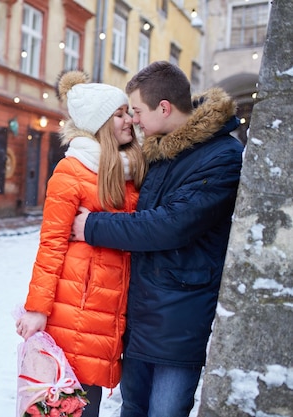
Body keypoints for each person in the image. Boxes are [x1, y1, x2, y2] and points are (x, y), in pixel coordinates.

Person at [71, 61, 244, 417]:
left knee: (165, 412)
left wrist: (92, 226)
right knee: (132, 408)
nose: (133, 120)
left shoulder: (222, 156)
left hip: (179, 319)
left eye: (136, 111)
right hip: (140, 317)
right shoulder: (159, 152)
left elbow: (170, 225)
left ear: (164, 108)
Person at [16, 70, 146, 417]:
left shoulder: (130, 170)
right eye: (118, 114)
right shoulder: (71, 171)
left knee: (87, 407)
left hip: (109, 313)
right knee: (69, 409)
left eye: (126, 113)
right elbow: (51, 245)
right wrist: (37, 309)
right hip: (73, 309)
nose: (128, 121)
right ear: (100, 122)